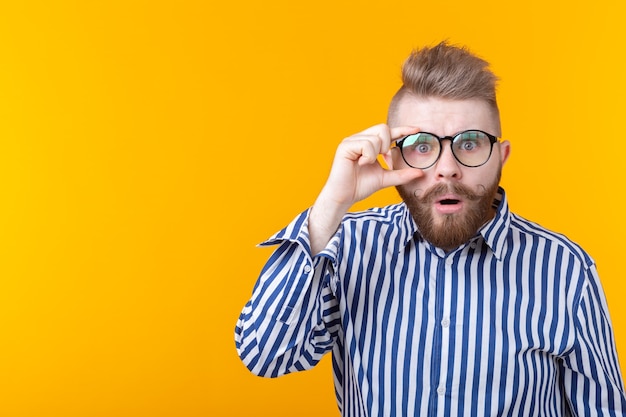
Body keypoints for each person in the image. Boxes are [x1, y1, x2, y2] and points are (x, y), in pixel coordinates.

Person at [234, 41, 626, 416]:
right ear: (390, 156)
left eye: (470, 143)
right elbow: (267, 355)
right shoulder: (347, 246)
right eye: (422, 145)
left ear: (501, 156)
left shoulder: (565, 269)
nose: (447, 167)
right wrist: (330, 208)